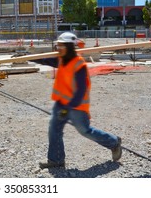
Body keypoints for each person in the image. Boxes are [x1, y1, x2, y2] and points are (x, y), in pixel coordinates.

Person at [32, 32, 122, 169]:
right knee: (54, 129)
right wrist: (31, 58)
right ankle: (56, 161)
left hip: (76, 106)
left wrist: (66, 109)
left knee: (85, 131)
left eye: (61, 45)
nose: (58, 48)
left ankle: (113, 142)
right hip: (61, 103)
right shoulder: (62, 59)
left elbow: (80, 91)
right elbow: (47, 60)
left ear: (69, 46)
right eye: (58, 45)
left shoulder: (79, 65)